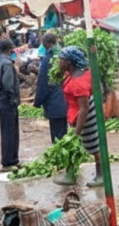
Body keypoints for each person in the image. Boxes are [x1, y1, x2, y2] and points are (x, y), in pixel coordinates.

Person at [58, 46, 101, 181]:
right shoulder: (75, 73)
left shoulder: (79, 83)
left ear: (69, 62)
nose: (59, 62)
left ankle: (101, 174)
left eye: (61, 60)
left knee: (93, 146)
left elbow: (84, 108)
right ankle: (71, 173)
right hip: (75, 113)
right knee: (72, 144)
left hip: (84, 116)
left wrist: (78, 130)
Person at [0, 39, 20, 172]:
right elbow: (7, 84)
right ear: (10, 49)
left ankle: (11, 160)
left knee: (7, 130)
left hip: (0, 100)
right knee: (10, 132)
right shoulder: (7, 63)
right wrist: (13, 98)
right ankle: (9, 161)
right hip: (7, 101)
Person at [33, 33, 69, 142]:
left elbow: (43, 83)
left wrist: (38, 102)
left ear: (48, 44)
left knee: (57, 136)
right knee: (64, 133)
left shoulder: (48, 59)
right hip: (66, 100)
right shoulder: (64, 55)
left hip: (54, 103)